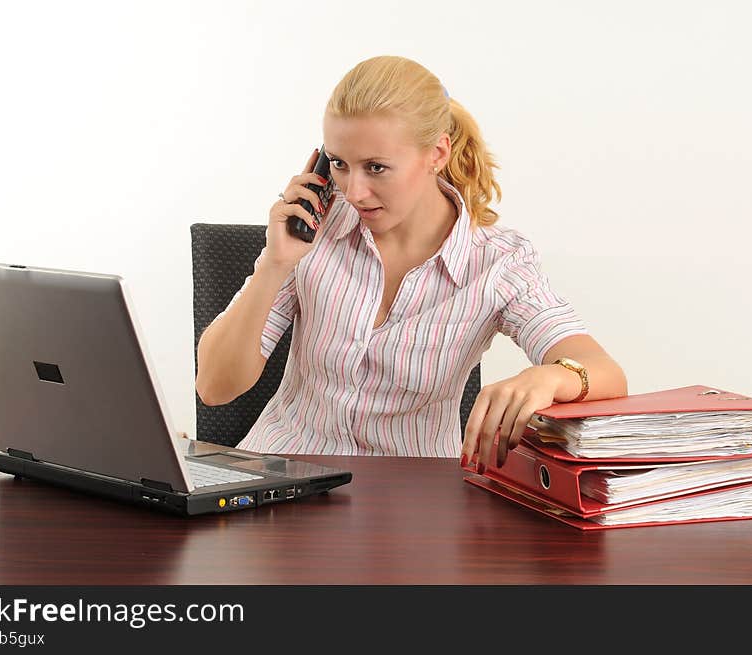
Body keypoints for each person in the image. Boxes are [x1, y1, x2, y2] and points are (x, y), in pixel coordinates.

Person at [196, 55, 627, 471]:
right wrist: (275, 263)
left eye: (376, 167)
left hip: (411, 493)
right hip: (284, 474)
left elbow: (606, 374)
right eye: (340, 164)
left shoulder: (497, 262)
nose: (354, 191)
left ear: (437, 153)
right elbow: (214, 387)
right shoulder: (316, 229)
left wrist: (550, 378)